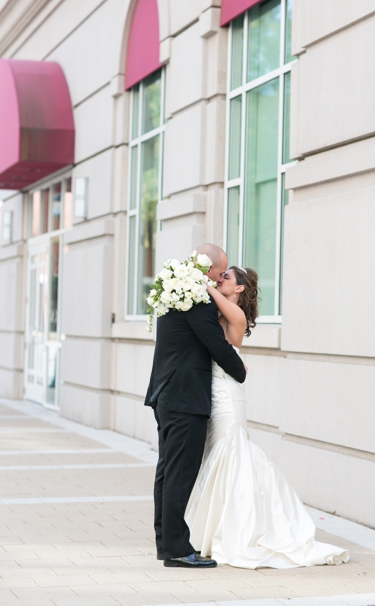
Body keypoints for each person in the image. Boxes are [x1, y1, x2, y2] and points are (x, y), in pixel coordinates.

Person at [184, 266, 350, 569]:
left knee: (231, 454)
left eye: (226, 278)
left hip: (227, 396)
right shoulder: (215, 314)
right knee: (217, 457)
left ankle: (238, 529)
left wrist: (194, 280)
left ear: (239, 290)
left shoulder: (235, 314)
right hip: (213, 392)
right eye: (220, 277)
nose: (219, 280)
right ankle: (213, 527)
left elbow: (209, 298)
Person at [145, 243, 246, 568]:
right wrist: (240, 370)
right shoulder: (196, 299)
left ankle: (167, 543)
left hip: (167, 393)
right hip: (184, 398)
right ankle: (176, 548)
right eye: (220, 271)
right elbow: (217, 345)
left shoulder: (177, 292)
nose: (219, 278)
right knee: (179, 472)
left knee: (167, 471)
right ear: (210, 268)